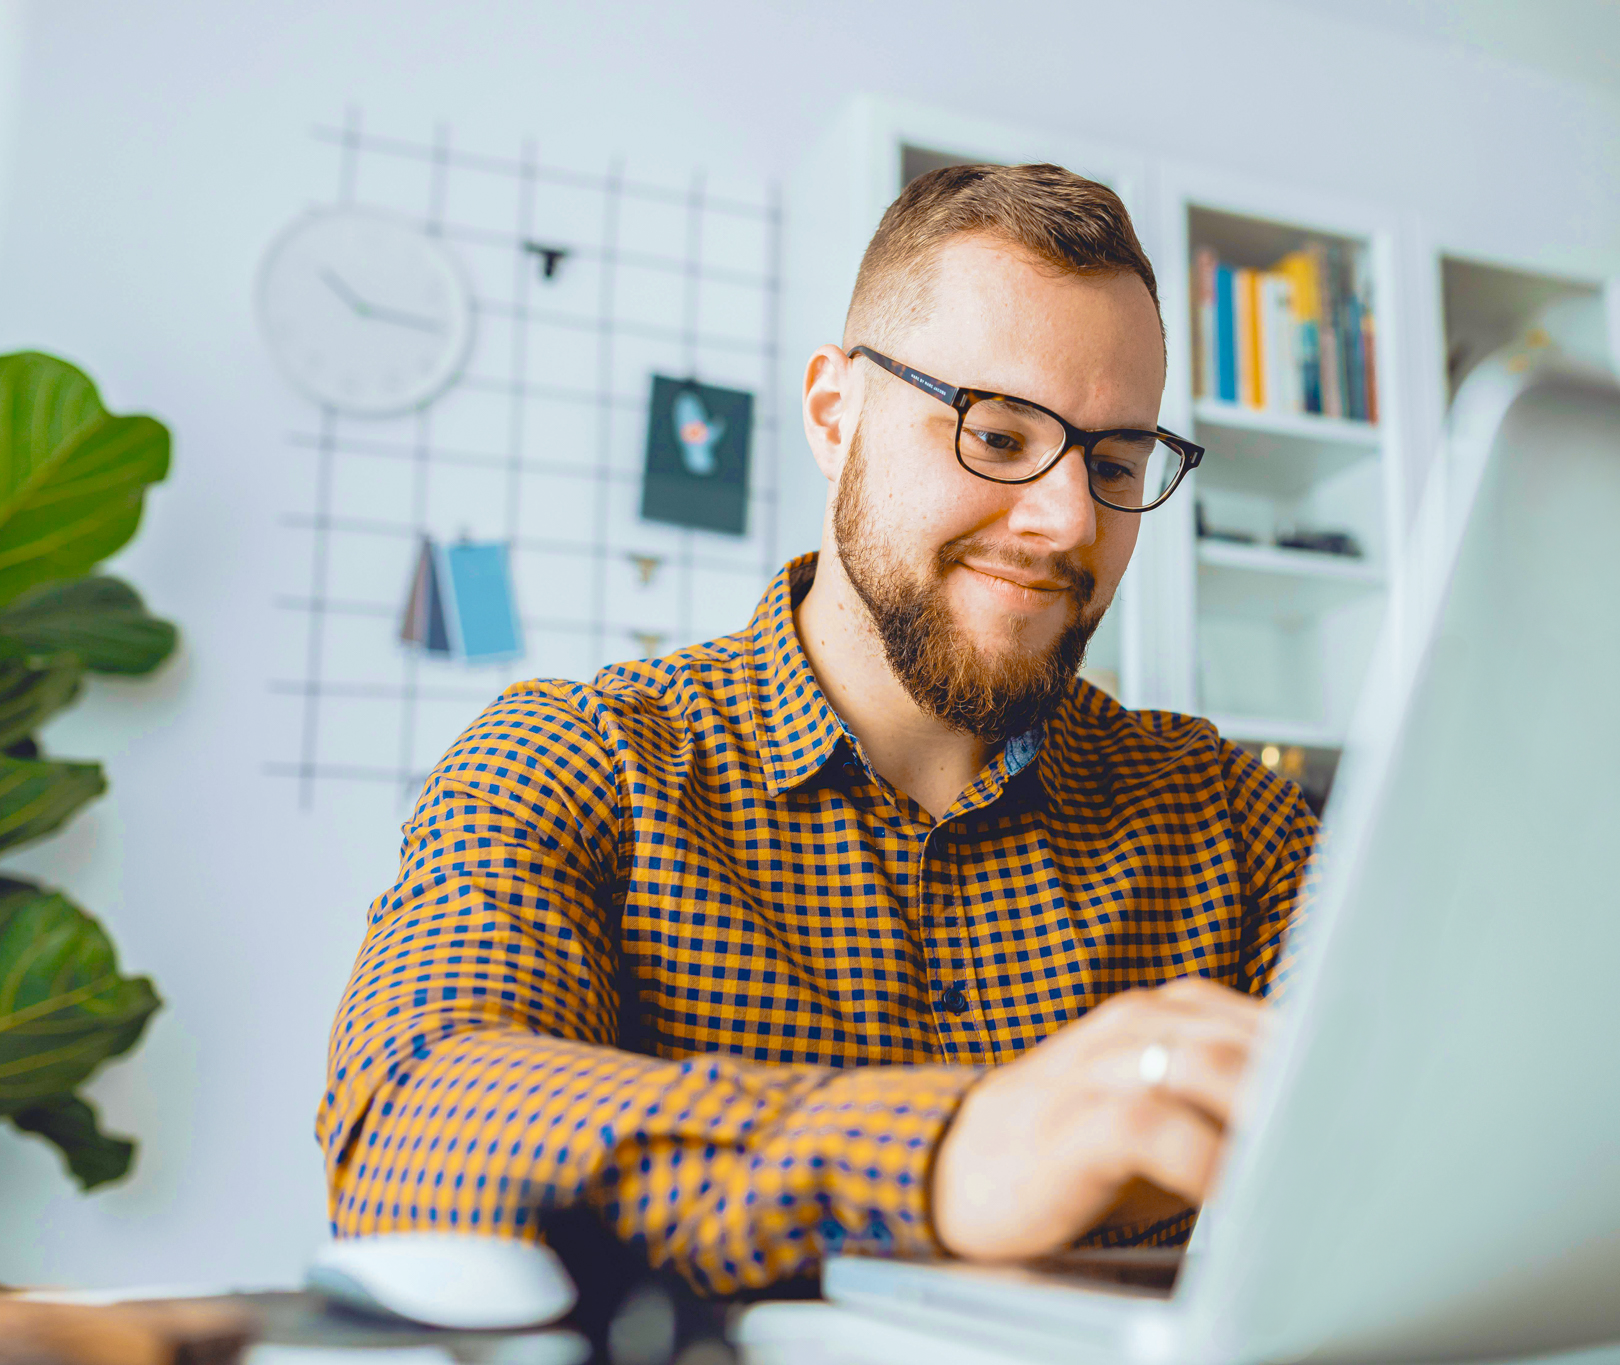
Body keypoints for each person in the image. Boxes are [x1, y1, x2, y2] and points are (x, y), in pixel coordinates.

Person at [317, 163, 1318, 1296]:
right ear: (833, 415)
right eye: (994, 435)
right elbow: (409, 1132)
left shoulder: (1224, 813)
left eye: (1115, 462)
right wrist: (951, 1153)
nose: (1067, 522)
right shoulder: (574, 755)